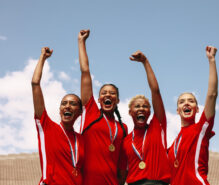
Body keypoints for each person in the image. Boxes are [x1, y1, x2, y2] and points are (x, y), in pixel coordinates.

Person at [78, 29, 128, 185]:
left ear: (117, 100)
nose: (108, 95)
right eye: (104, 93)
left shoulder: (123, 127)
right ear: (99, 99)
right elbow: (85, 72)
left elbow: (122, 166)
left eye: (112, 93)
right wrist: (81, 42)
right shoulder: (90, 111)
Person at [32, 47, 84, 185]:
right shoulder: (47, 127)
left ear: (80, 112)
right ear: (60, 109)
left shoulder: (82, 140)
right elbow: (35, 84)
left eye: (72, 104)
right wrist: (43, 57)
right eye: (64, 103)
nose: (67, 106)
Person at [168, 46, 218, 185]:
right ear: (178, 110)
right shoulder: (173, 145)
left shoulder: (201, 129)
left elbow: (212, 95)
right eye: (181, 101)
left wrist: (212, 60)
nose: (186, 103)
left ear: (196, 109)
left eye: (191, 101)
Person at [122, 51, 170, 185]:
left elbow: (155, 91)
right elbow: (122, 172)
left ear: (150, 112)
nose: (141, 109)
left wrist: (145, 62)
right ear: (130, 112)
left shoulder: (157, 126)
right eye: (137, 106)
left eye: (145, 106)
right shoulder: (126, 141)